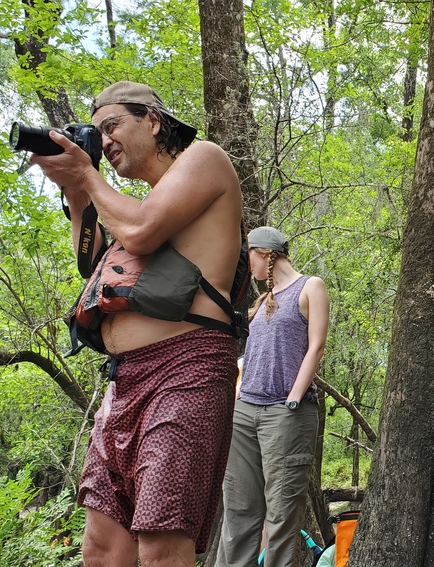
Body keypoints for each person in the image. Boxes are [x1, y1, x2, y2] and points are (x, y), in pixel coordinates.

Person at [30, 80, 245, 566]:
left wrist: (86, 176)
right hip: (122, 381)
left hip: (186, 373)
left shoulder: (205, 159)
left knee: (162, 544)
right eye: (97, 133)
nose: (104, 141)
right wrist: (75, 191)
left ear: (151, 119)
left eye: (113, 126)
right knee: (103, 546)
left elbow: (142, 234)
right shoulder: (135, 204)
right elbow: (94, 263)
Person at [217, 226, 330, 567]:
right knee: (238, 513)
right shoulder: (263, 301)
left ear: (266, 253)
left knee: (281, 516)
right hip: (246, 411)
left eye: (248, 257)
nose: (247, 266)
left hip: (286, 413)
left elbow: (317, 345)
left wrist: (293, 398)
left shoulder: (310, 286)